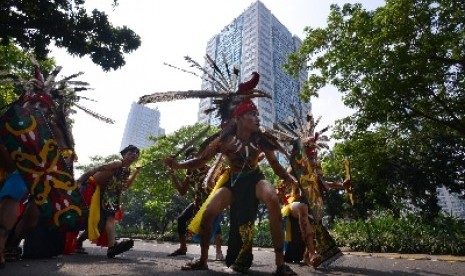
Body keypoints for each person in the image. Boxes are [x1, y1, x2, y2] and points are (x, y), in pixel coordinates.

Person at [165, 99, 297, 275]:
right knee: (208, 213)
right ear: (239, 118)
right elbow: (202, 159)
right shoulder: (224, 139)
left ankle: (280, 264)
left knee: (272, 199)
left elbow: (274, 164)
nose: (257, 118)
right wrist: (178, 165)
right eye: (252, 114)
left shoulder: (261, 139)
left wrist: (289, 178)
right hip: (233, 181)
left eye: (257, 114)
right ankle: (203, 260)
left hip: (254, 179)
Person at [74, 145, 142, 258]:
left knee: (100, 225)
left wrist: (136, 172)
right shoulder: (117, 163)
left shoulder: (127, 170)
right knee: (100, 219)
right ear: (124, 155)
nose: (133, 154)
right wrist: (81, 179)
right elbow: (99, 168)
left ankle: (78, 242)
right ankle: (112, 246)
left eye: (136, 153)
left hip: (108, 196)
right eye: (130, 152)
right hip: (93, 190)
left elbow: (125, 187)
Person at [166, 146, 224, 261]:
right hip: (198, 201)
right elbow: (182, 191)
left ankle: (218, 252)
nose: (192, 158)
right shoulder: (190, 173)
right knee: (181, 219)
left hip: (211, 200)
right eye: (189, 157)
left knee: (213, 223)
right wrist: (173, 175)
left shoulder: (209, 169)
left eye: (195, 155)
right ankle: (183, 248)